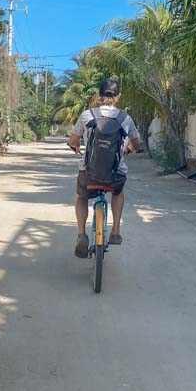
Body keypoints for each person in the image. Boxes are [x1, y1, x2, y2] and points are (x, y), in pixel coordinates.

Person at [67, 78, 142, 258]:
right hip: (115, 174)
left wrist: (74, 146)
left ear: (99, 96)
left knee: (81, 196)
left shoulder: (87, 115)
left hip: (89, 172)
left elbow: (73, 140)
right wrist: (129, 150)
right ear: (119, 96)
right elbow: (136, 144)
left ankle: (81, 234)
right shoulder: (125, 118)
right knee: (117, 192)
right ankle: (115, 230)